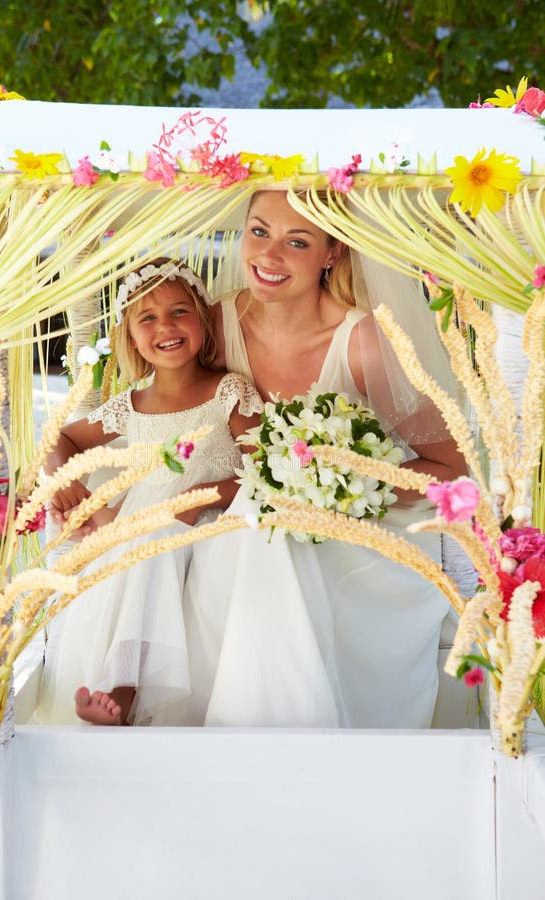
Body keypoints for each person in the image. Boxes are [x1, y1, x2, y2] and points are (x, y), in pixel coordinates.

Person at [180, 189, 467, 729]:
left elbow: (451, 470)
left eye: (297, 241)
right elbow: (159, 409)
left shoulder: (362, 342)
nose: (268, 256)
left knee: (270, 538)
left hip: (367, 526)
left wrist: (342, 483)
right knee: (259, 533)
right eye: (259, 231)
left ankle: (269, 736)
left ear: (332, 253)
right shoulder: (215, 327)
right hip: (249, 515)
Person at [36, 257, 262, 726]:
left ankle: (123, 691)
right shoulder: (131, 405)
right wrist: (67, 479)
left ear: (202, 319)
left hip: (209, 517)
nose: (166, 326)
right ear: (131, 336)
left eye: (180, 311)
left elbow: (263, 464)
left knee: (155, 547)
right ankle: (112, 689)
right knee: (135, 551)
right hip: (143, 519)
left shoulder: (229, 391)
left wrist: (209, 493)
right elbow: (59, 437)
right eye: (148, 317)